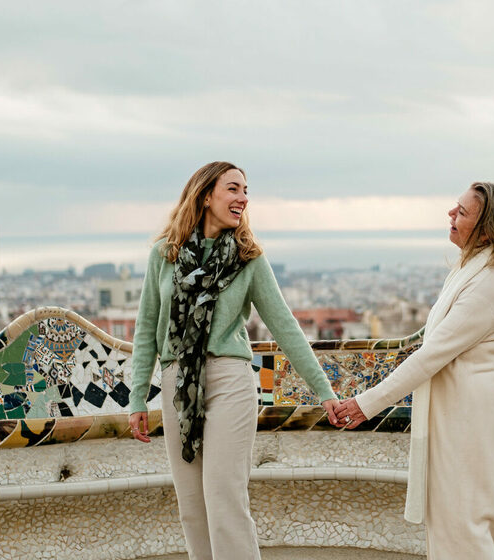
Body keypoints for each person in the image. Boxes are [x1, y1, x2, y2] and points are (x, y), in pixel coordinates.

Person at [128, 161, 341, 560]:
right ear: (206, 195)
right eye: (234, 188)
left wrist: (323, 390)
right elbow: (146, 329)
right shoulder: (165, 254)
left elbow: (284, 326)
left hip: (229, 381)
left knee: (224, 499)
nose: (243, 197)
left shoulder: (249, 258)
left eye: (246, 190)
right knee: (192, 507)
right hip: (177, 385)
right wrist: (137, 396)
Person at [335, 182, 494, 560]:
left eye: (462, 212)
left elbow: (431, 355)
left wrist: (366, 404)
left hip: (468, 427)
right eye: (455, 208)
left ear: (488, 230)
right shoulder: (474, 271)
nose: (451, 215)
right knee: (468, 523)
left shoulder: (490, 283)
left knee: (466, 525)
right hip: (463, 421)